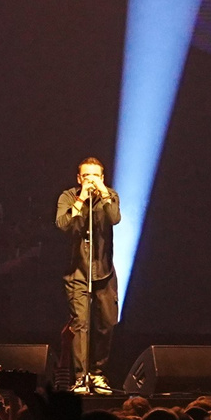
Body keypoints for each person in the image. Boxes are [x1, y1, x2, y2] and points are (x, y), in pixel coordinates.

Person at [55, 159, 122, 395]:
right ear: (78, 178)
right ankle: (80, 377)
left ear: (102, 178)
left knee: (107, 323)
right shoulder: (68, 197)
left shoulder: (110, 195)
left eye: (95, 176)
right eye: (86, 176)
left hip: (103, 271)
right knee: (80, 324)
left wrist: (103, 193)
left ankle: (98, 373)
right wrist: (82, 199)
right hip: (77, 272)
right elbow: (65, 225)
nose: (91, 180)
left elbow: (114, 218)